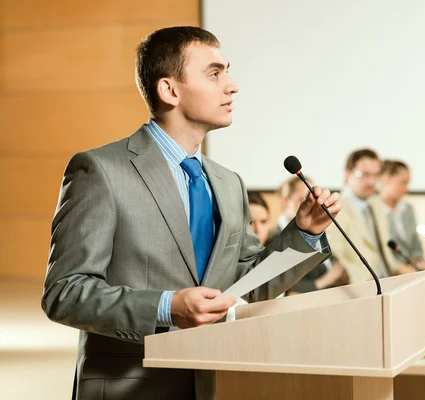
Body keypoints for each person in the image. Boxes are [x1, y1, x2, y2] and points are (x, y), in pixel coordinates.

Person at [41, 26, 341, 400]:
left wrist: (304, 233)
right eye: (215, 74)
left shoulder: (228, 182)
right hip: (130, 385)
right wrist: (166, 307)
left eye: (227, 72)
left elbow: (246, 285)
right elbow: (64, 293)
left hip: (216, 382)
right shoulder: (101, 170)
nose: (232, 85)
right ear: (170, 90)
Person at [326, 149, 417, 284]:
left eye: (376, 175)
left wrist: (412, 273)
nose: (371, 181)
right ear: (347, 174)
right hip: (362, 287)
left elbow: (386, 255)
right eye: (365, 175)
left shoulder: (377, 204)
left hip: (389, 283)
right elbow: (337, 260)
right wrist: (366, 283)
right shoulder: (334, 208)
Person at [275, 177, 349, 294]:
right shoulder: (274, 239)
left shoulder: (315, 230)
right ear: (285, 202)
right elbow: (278, 287)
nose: (311, 205)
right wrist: (323, 281)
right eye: (303, 200)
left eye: (314, 199)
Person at [379, 160, 425, 270]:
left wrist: (418, 263)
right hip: (389, 271)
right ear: (387, 178)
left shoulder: (407, 209)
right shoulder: (373, 211)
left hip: (411, 268)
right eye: (403, 182)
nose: (406, 189)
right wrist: (402, 267)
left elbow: (416, 243)